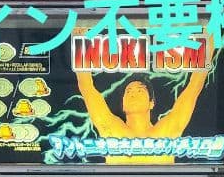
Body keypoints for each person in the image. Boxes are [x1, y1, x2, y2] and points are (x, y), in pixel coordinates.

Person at [75, 68, 209, 164]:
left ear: (152, 103)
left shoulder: (166, 131)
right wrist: (80, 40)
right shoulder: (111, 129)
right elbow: (87, 87)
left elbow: (194, 87)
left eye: (140, 91)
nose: (133, 94)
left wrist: (210, 42)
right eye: (128, 92)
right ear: (123, 104)